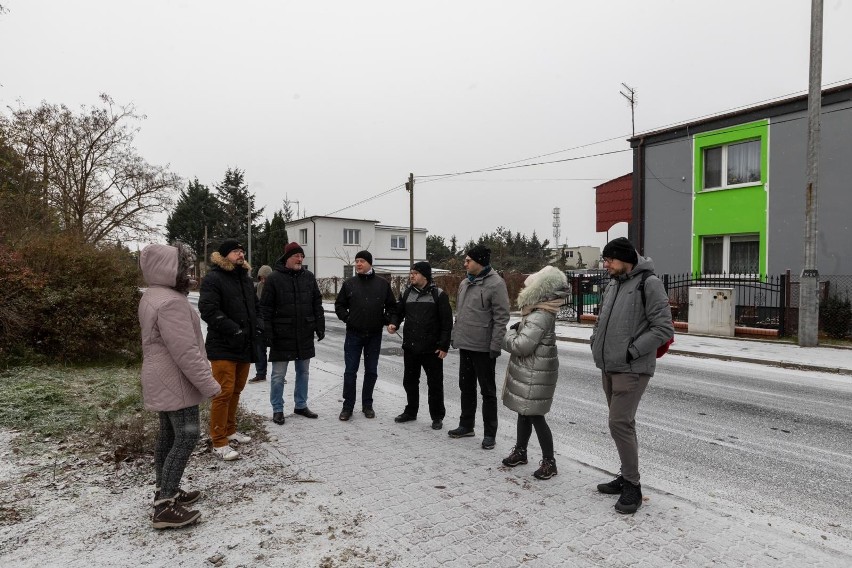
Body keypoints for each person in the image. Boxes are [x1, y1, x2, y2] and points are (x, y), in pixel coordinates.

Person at [139, 242, 221, 529]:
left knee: (167, 436)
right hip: (177, 382)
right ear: (168, 270)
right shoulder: (171, 302)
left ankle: (166, 491)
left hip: (161, 378)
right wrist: (210, 385)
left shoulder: (153, 295)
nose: (188, 272)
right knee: (186, 437)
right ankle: (164, 507)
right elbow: (186, 353)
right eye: (183, 267)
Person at [590, 237, 673, 514]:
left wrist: (631, 352)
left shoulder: (649, 283)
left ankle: (633, 488)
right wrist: (595, 341)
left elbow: (663, 328)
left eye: (609, 260)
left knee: (619, 424)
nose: (606, 265)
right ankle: (626, 476)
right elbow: (603, 318)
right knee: (624, 424)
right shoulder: (614, 284)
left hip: (631, 367)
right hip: (609, 365)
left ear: (625, 259)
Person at [500, 265, 568, 480]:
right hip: (533, 371)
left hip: (534, 374)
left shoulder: (539, 316)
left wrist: (508, 334)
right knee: (524, 412)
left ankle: (550, 462)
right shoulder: (540, 313)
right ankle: (521, 451)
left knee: (536, 416)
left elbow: (521, 346)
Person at [199, 239, 262, 461]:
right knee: (223, 393)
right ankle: (218, 440)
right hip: (223, 346)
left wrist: (259, 324)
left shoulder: (245, 278)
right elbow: (207, 310)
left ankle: (230, 430)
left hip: (244, 345)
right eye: (236, 251)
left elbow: (255, 306)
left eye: (242, 251)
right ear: (225, 255)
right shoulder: (213, 279)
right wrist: (234, 330)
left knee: (236, 390)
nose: (240, 254)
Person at [448, 245, 510, 450]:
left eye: (468, 260)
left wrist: (495, 344)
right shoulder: (465, 282)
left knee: (488, 392)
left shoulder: (496, 284)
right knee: (465, 388)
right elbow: (461, 313)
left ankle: (490, 433)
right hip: (465, 344)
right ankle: (466, 426)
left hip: (484, 348)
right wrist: (455, 336)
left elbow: (501, 317)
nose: (465, 263)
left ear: (479, 262)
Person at [260, 242, 325, 425]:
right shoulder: (273, 278)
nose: (300, 259)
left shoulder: (309, 277)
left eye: (302, 256)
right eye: (296, 256)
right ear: (287, 258)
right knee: (278, 375)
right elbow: (265, 308)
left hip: (304, 332)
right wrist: (268, 333)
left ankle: (301, 405)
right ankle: (277, 409)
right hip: (282, 334)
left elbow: (316, 303)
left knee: (303, 372)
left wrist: (319, 325)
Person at [387, 261, 453, 430]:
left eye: (415, 273)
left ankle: (437, 416)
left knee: (435, 384)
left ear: (425, 275)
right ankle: (411, 411)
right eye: (411, 273)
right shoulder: (407, 292)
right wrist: (394, 323)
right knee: (409, 382)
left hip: (432, 349)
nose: (412, 276)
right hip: (410, 347)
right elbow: (398, 312)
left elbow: (446, 323)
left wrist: (444, 346)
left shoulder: (439, 295)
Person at [334, 250, 397, 421]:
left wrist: (385, 319)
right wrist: (348, 318)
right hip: (354, 334)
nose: (358, 264)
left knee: (371, 371)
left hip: (374, 335)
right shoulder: (349, 284)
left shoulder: (382, 284)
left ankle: (367, 405)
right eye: (356, 261)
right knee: (350, 371)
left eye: (361, 261)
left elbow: (392, 307)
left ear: (370, 263)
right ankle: (347, 407)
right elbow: (339, 305)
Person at [249, 264, 273, 383]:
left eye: (265, 278)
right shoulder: (256, 288)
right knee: (259, 349)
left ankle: (278, 375)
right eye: (261, 278)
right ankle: (260, 374)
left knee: (275, 350)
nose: (263, 280)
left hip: (272, 323)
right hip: (259, 323)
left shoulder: (275, 287)